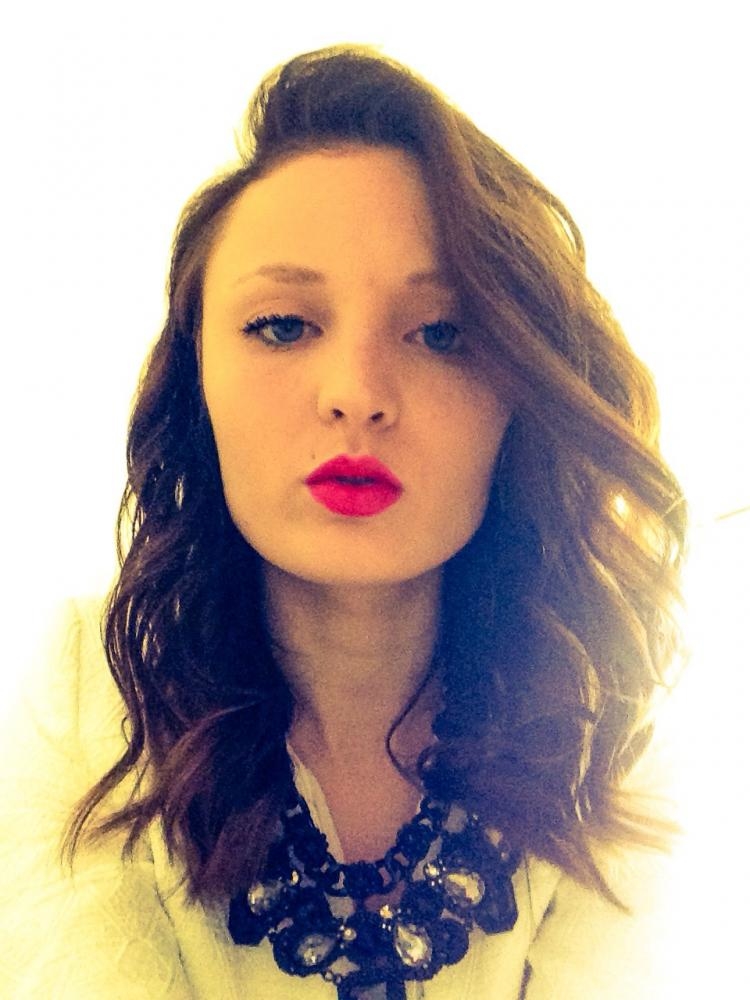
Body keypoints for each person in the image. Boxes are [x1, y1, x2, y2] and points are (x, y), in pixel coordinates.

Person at [0, 43, 687, 999]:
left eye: (441, 332)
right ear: (197, 383)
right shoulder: (83, 692)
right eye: (283, 325)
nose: (357, 393)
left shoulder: (609, 727)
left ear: (519, 394)